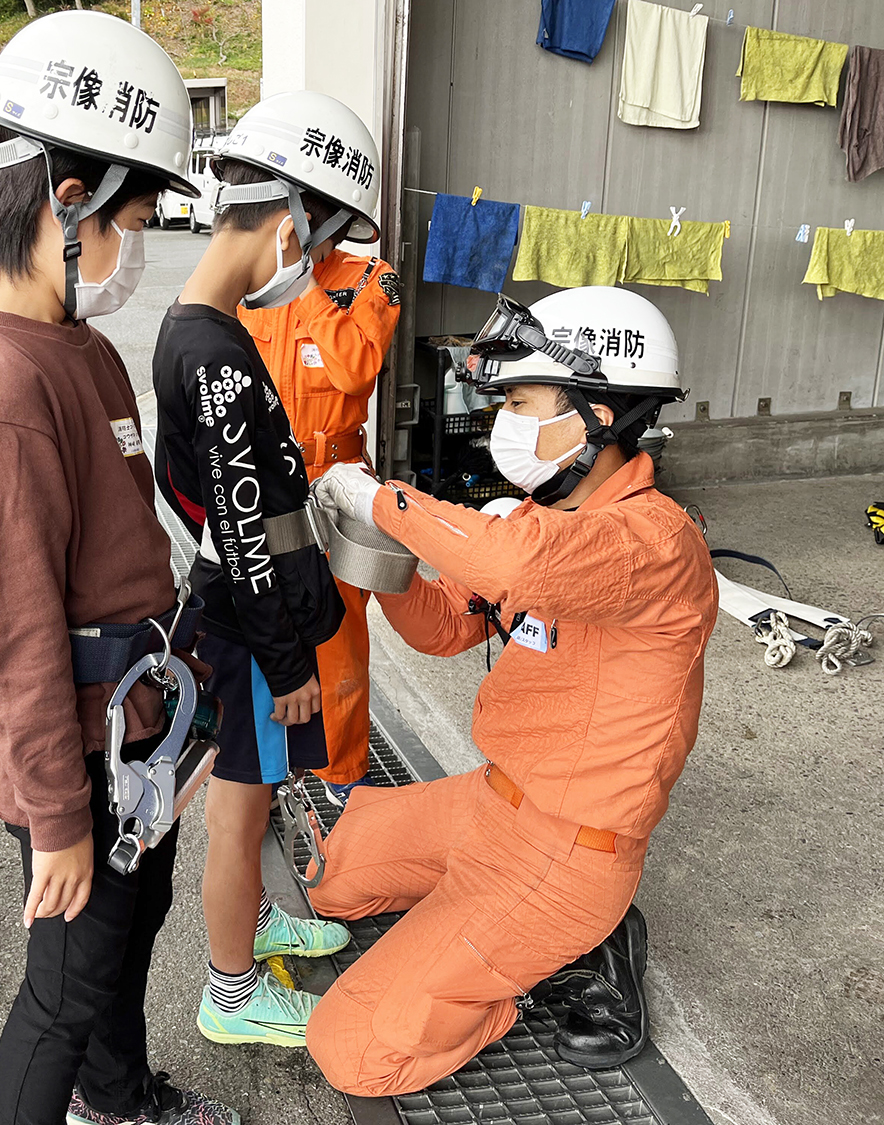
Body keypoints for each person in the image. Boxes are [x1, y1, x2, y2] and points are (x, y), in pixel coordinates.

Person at [0, 12, 236, 1125]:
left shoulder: (80, 346)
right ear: (67, 202)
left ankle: (120, 1096)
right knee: (58, 995)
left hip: (132, 735)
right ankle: (88, 1091)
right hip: (78, 759)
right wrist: (58, 819)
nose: (137, 246)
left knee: (124, 941)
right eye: (133, 218)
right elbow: (13, 636)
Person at [307, 287, 717, 1095]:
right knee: (327, 871)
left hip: (567, 854)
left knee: (352, 1048)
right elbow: (440, 628)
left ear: (598, 413)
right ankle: (478, 932)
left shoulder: (654, 540)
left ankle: (541, 960)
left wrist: (381, 497)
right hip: (490, 802)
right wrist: (369, 550)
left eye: (523, 401)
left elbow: (517, 566)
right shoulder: (537, 517)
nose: (505, 423)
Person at [152, 92, 360, 1051]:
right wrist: (289, 667)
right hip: (245, 634)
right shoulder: (218, 354)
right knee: (239, 810)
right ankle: (230, 990)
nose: (310, 272)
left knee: (256, 794)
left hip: (236, 619)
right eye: (312, 250)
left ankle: (253, 927)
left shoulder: (196, 326)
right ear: (285, 226)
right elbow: (243, 535)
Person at [233, 95, 400, 807]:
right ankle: (282, 760)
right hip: (269, 480)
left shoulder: (370, 280)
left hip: (338, 481)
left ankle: (344, 771)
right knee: (270, 625)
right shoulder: (253, 283)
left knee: (338, 638)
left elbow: (354, 367)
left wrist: (300, 287)